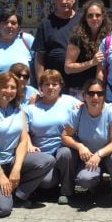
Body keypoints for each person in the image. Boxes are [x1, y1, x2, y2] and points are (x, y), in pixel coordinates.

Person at [0, 72, 56, 217]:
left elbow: (23, 141)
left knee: (46, 160)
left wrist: (16, 169)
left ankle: (18, 196)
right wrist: (0, 175)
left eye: (13, 87)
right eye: (5, 87)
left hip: (10, 161)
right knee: (3, 209)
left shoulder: (18, 110)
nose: (9, 91)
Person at [59, 79, 112, 208]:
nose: (95, 97)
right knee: (65, 154)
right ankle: (67, 192)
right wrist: (80, 146)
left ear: (104, 96)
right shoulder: (77, 112)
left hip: (107, 155)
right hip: (86, 157)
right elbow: (65, 136)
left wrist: (99, 154)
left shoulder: (111, 112)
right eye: (91, 93)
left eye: (99, 93)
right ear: (84, 96)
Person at [23, 70, 78, 202]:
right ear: (40, 87)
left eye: (54, 84)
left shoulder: (69, 101)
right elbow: (23, 131)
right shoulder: (30, 108)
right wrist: (29, 144)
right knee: (47, 183)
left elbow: (85, 110)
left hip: (62, 150)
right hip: (41, 153)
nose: (51, 87)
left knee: (66, 153)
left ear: (61, 86)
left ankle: (66, 192)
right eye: (46, 84)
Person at [64, 0, 112, 96]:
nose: (94, 18)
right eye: (90, 15)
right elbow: (68, 68)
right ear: (85, 18)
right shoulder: (77, 37)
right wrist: (91, 63)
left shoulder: (109, 37)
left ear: (103, 17)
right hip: (80, 90)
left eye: (98, 15)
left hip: (102, 90)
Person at [0, 10, 34, 93]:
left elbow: (38, 65)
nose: (9, 25)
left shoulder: (27, 40)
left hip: (21, 99)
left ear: (19, 27)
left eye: (13, 23)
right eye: (5, 22)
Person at [33, 0, 80, 81]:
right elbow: (40, 57)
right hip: (54, 83)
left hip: (79, 83)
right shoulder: (45, 23)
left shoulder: (83, 21)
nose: (64, 1)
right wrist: (41, 82)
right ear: (54, 0)